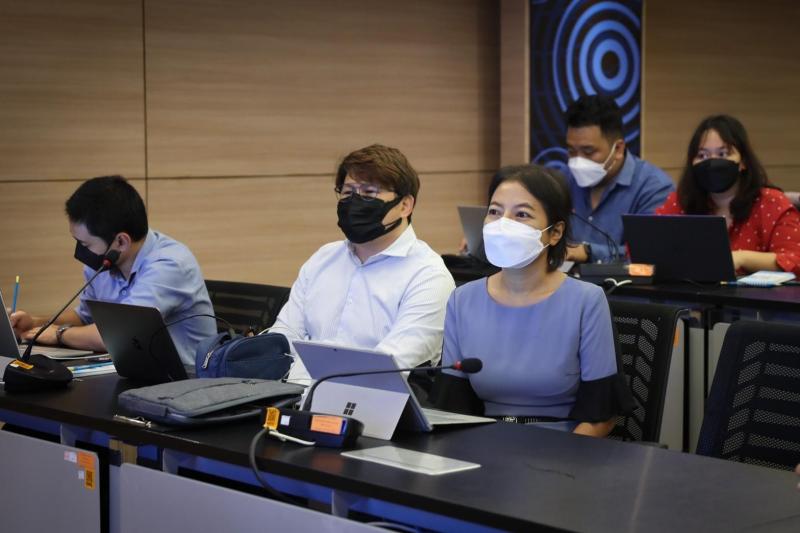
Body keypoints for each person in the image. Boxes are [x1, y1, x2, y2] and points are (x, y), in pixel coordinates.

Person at [432, 164, 633, 436]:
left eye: (522, 214)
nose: (504, 225)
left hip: (562, 446)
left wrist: (560, 460)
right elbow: (452, 408)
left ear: (555, 232)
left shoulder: (587, 301)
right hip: (484, 443)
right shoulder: (462, 300)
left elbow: (601, 418)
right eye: (495, 212)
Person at [271, 144, 456, 387]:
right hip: (291, 396)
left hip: (374, 403)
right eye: (348, 193)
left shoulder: (429, 276)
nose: (355, 202)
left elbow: (386, 368)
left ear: (405, 205)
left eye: (369, 193)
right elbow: (284, 338)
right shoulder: (323, 258)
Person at [10, 175, 215, 366]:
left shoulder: (170, 265)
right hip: (133, 372)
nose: (81, 251)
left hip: (186, 381)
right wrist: (36, 323)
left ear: (121, 242)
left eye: (85, 244)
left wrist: (59, 334)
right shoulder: (107, 263)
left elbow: (120, 336)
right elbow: (85, 317)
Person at [656, 115, 800, 276]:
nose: (712, 162)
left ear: (743, 162)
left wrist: (742, 258)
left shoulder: (771, 203)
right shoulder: (679, 201)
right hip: (689, 292)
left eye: (723, 154)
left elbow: (795, 260)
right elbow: (647, 248)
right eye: (702, 156)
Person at [565, 95, 674, 263]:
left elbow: (648, 253)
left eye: (588, 152)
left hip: (622, 280)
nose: (578, 161)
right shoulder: (564, 178)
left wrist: (588, 252)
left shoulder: (654, 188)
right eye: (572, 151)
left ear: (618, 149)